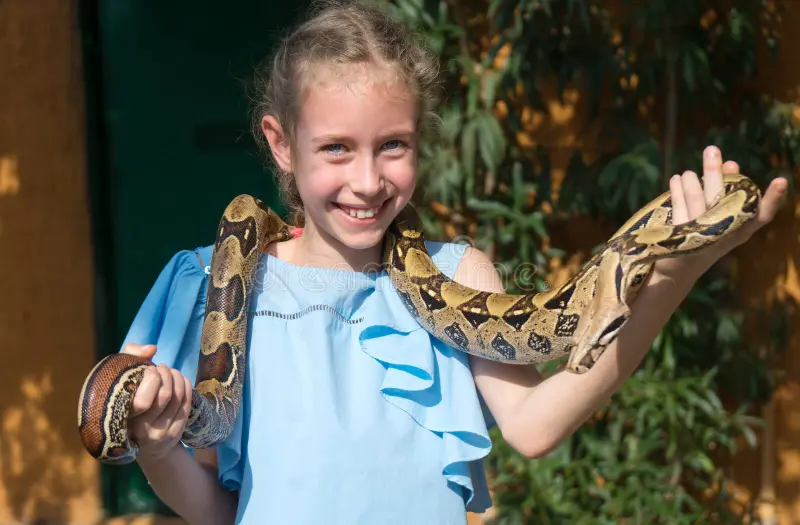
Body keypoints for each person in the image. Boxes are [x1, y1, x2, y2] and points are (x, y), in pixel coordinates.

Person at [116, 2, 788, 524]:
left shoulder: (457, 274)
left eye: (394, 144)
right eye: (337, 148)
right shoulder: (214, 286)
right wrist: (155, 441)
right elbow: (212, 509)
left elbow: (536, 425)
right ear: (281, 144)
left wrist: (675, 270)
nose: (368, 179)